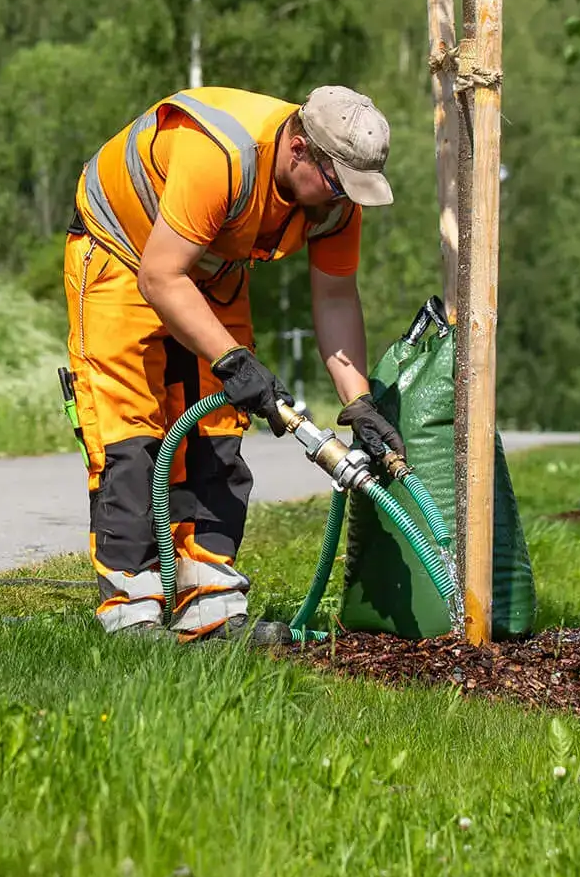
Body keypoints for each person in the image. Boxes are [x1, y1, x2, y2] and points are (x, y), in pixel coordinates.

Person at [62, 84, 408, 642]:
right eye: (336, 184)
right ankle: (132, 610)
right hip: (124, 256)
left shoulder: (335, 202)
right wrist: (231, 360)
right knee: (130, 432)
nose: (343, 200)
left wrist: (358, 400)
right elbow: (160, 276)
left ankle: (212, 608)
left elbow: (337, 297)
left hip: (211, 271)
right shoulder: (219, 154)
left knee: (218, 430)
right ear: (299, 149)